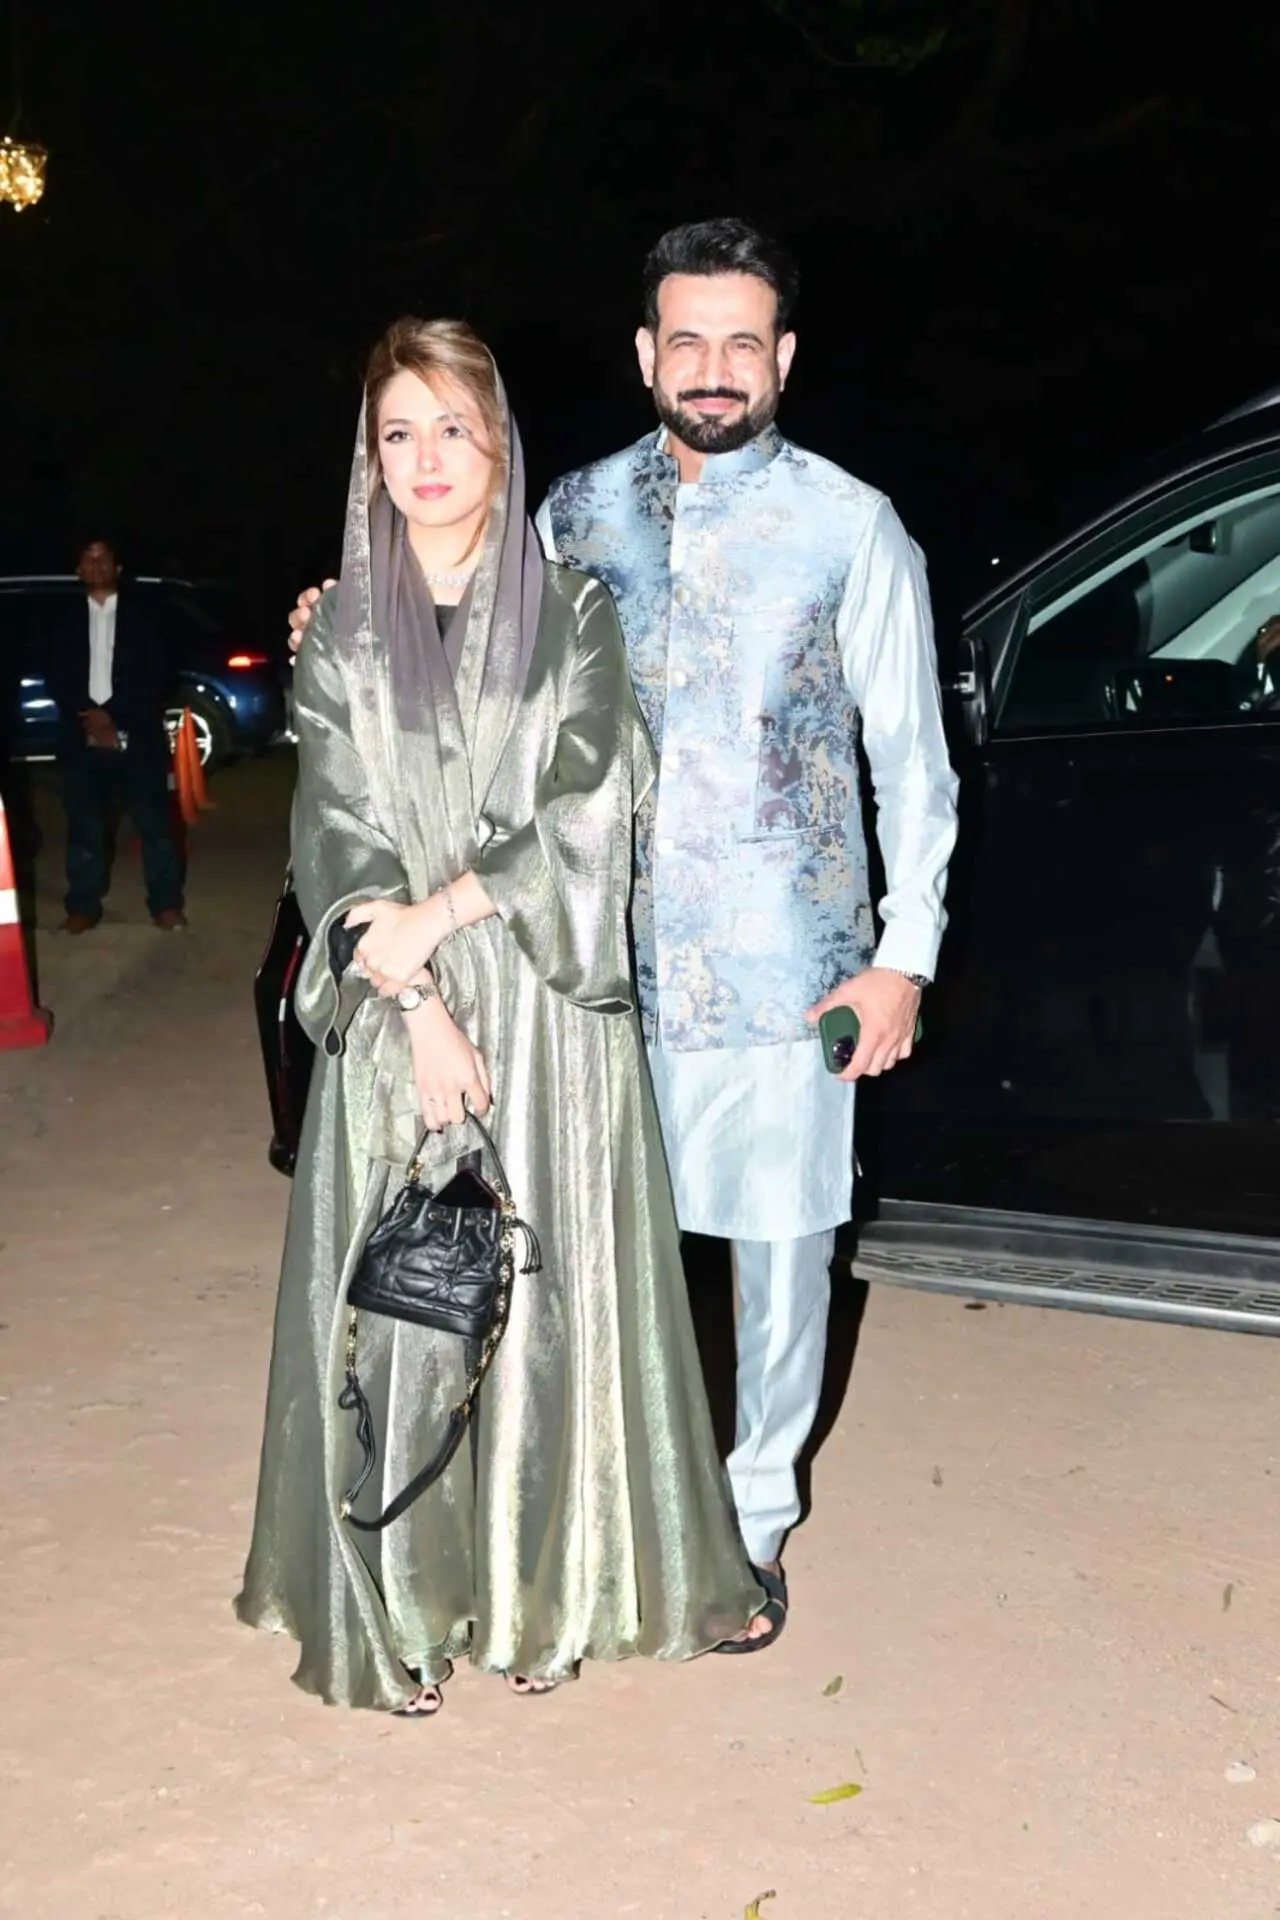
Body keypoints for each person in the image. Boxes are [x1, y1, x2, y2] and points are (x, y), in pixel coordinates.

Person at [290, 221, 959, 1648]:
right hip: (579, 979)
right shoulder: (573, 516)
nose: (712, 369)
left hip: (791, 973)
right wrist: (334, 612)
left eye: (742, 342)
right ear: (647, 354)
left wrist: (903, 952)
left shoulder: (853, 527)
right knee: (582, 1268)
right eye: (686, 340)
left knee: (781, 1269)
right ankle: (590, 1527)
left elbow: (914, 762)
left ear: (781, 357)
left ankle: (754, 1524)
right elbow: (460, 660)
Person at [237, 318, 761, 1715]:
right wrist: (407, 997)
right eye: (397, 432)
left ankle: (548, 1593)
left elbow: (596, 799)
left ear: (499, 441)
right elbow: (331, 832)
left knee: (537, 1308)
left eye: (451, 429)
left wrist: (444, 915)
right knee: (407, 1317)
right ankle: (397, 1607)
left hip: (545, 1018)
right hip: (406, 1022)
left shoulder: (571, 612)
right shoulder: (339, 628)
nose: (426, 459)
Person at [43, 536, 186, 933]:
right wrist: (90, 716)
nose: (96, 567)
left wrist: (114, 717)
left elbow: (158, 672)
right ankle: (83, 905)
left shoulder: (145, 615)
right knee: (84, 826)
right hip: (81, 737)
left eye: (103, 559)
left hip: (137, 737)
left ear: (117, 567)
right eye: (88, 561)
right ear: (78, 570)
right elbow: (55, 673)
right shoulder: (64, 618)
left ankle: (166, 904)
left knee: (155, 826)